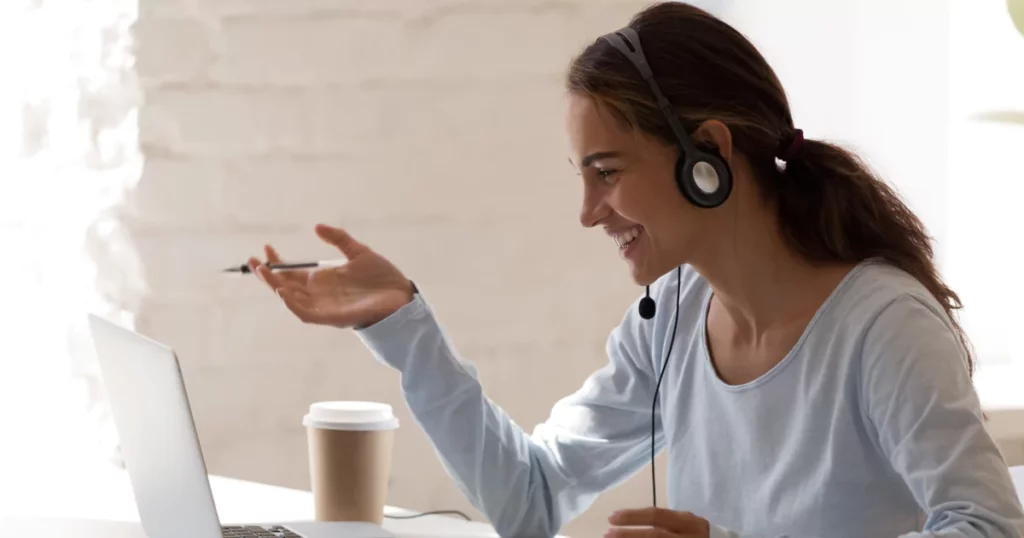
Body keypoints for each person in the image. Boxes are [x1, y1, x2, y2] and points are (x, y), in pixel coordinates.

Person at [248, 3, 1024, 537]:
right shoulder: (676, 315)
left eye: (608, 173)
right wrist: (404, 325)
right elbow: (532, 499)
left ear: (709, 158)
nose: (589, 212)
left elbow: (988, 526)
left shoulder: (882, 328)